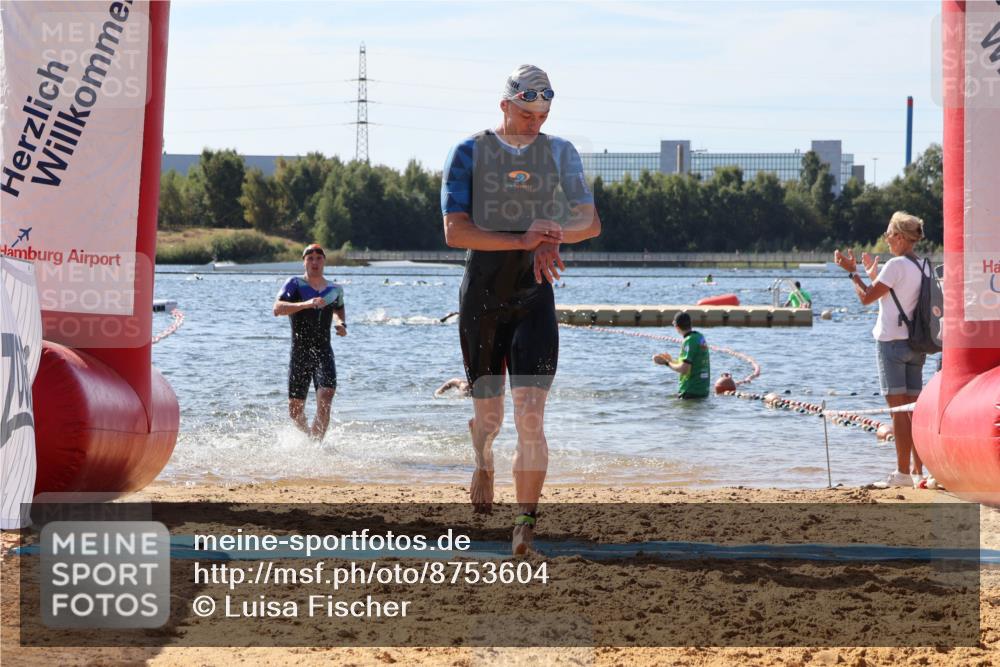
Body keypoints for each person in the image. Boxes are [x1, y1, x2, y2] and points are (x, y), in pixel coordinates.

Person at [441, 64, 601, 554]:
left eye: (544, 114)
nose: (536, 122)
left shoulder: (560, 152)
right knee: (490, 420)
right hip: (482, 301)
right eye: (528, 113)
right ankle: (483, 460)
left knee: (531, 416)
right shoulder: (468, 152)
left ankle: (525, 521)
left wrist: (550, 231)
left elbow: (589, 222)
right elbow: (455, 233)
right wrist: (523, 238)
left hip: (534, 297)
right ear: (505, 105)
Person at [834, 212, 928, 488]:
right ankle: (918, 470)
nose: (886, 239)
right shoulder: (922, 265)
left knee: (898, 412)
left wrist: (852, 273)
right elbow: (898, 297)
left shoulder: (896, 265)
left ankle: (901, 474)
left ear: (900, 237)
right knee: (914, 410)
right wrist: (873, 275)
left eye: (888, 234)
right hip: (916, 345)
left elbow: (865, 298)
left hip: (891, 345)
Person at [273, 244, 347, 441]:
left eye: (318, 258)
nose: (314, 262)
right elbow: (277, 308)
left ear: (324, 261)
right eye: (310, 258)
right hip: (300, 352)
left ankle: (316, 446)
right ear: (304, 261)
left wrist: (341, 324)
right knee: (295, 411)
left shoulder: (335, 290)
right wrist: (306, 304)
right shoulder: (295, 284)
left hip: (324, 350)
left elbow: (338, 309)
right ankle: (307, 437)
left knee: (326, 396)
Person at [652, 311, 711, 399]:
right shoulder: (699, 337)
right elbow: (692, 364)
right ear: (691, 324)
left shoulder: (688, 341)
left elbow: (684, 369)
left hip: (690, 391)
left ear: (676, 327)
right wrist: (671, 360)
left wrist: (667, 363)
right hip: (703, 391)